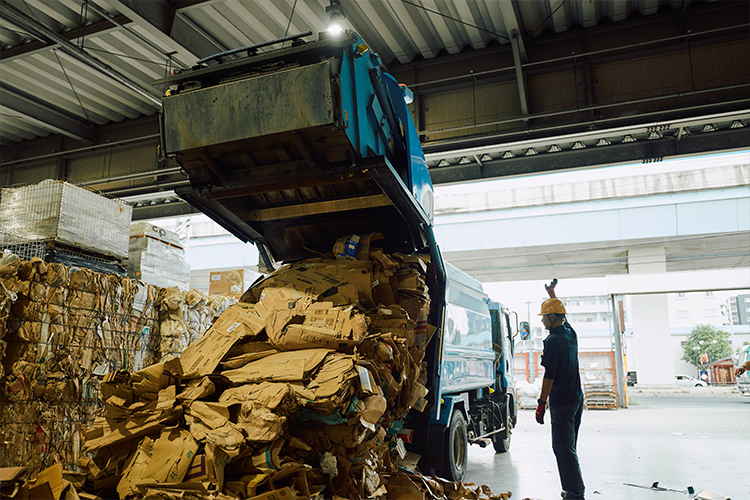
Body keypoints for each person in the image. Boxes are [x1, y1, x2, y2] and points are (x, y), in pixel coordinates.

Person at [535, 281, 585, 500]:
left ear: (553, 318)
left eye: (545, 317)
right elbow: (563, 314)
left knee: (562, 448)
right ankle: (574, 489)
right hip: (576, 399)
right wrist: (552, 295)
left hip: (563, 402)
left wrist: (541, 403)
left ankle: (575, 492)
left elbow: (549, 376)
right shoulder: (570, 333)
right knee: (569, 446)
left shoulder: (553, 341)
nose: (543, 320)